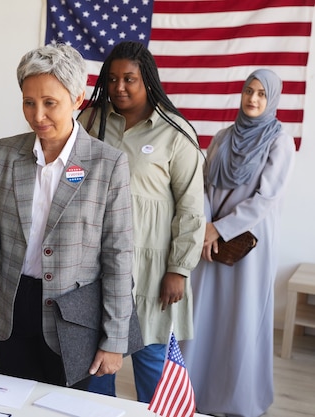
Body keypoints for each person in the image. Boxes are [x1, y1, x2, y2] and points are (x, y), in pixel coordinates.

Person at [0, 43, 134, 388]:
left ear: (78, 99)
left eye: (50, 103)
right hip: (10, 306)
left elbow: (119, 256)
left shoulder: (108, 164)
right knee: (13, 400)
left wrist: (115, 338)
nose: (37, 115)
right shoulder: (6, 153)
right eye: (29, 102)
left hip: (73, 316)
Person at [76, 41, 205, 401]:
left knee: (154, 365)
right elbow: (72, 179)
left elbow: (191, 209)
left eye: (129, 79)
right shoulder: (91, 121)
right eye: (112, 78)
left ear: (147, 79)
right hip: (96, 262)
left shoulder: (175, 132)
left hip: (153, 266)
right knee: (98, 364)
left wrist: (179, 269)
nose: (119, 87)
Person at [181, 69, 295, 417]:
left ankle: (239, 399)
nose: (254, 99)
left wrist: (221, 229)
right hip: (209, 242)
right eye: (249, 91)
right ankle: (193, 394)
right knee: (204, 316)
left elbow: (267, 198)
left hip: (250, 244)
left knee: (242, 316)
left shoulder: (279, 141)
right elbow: (201, 184)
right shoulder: (222, 136)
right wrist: (205, 227)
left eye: (262, 93)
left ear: (271, 98)